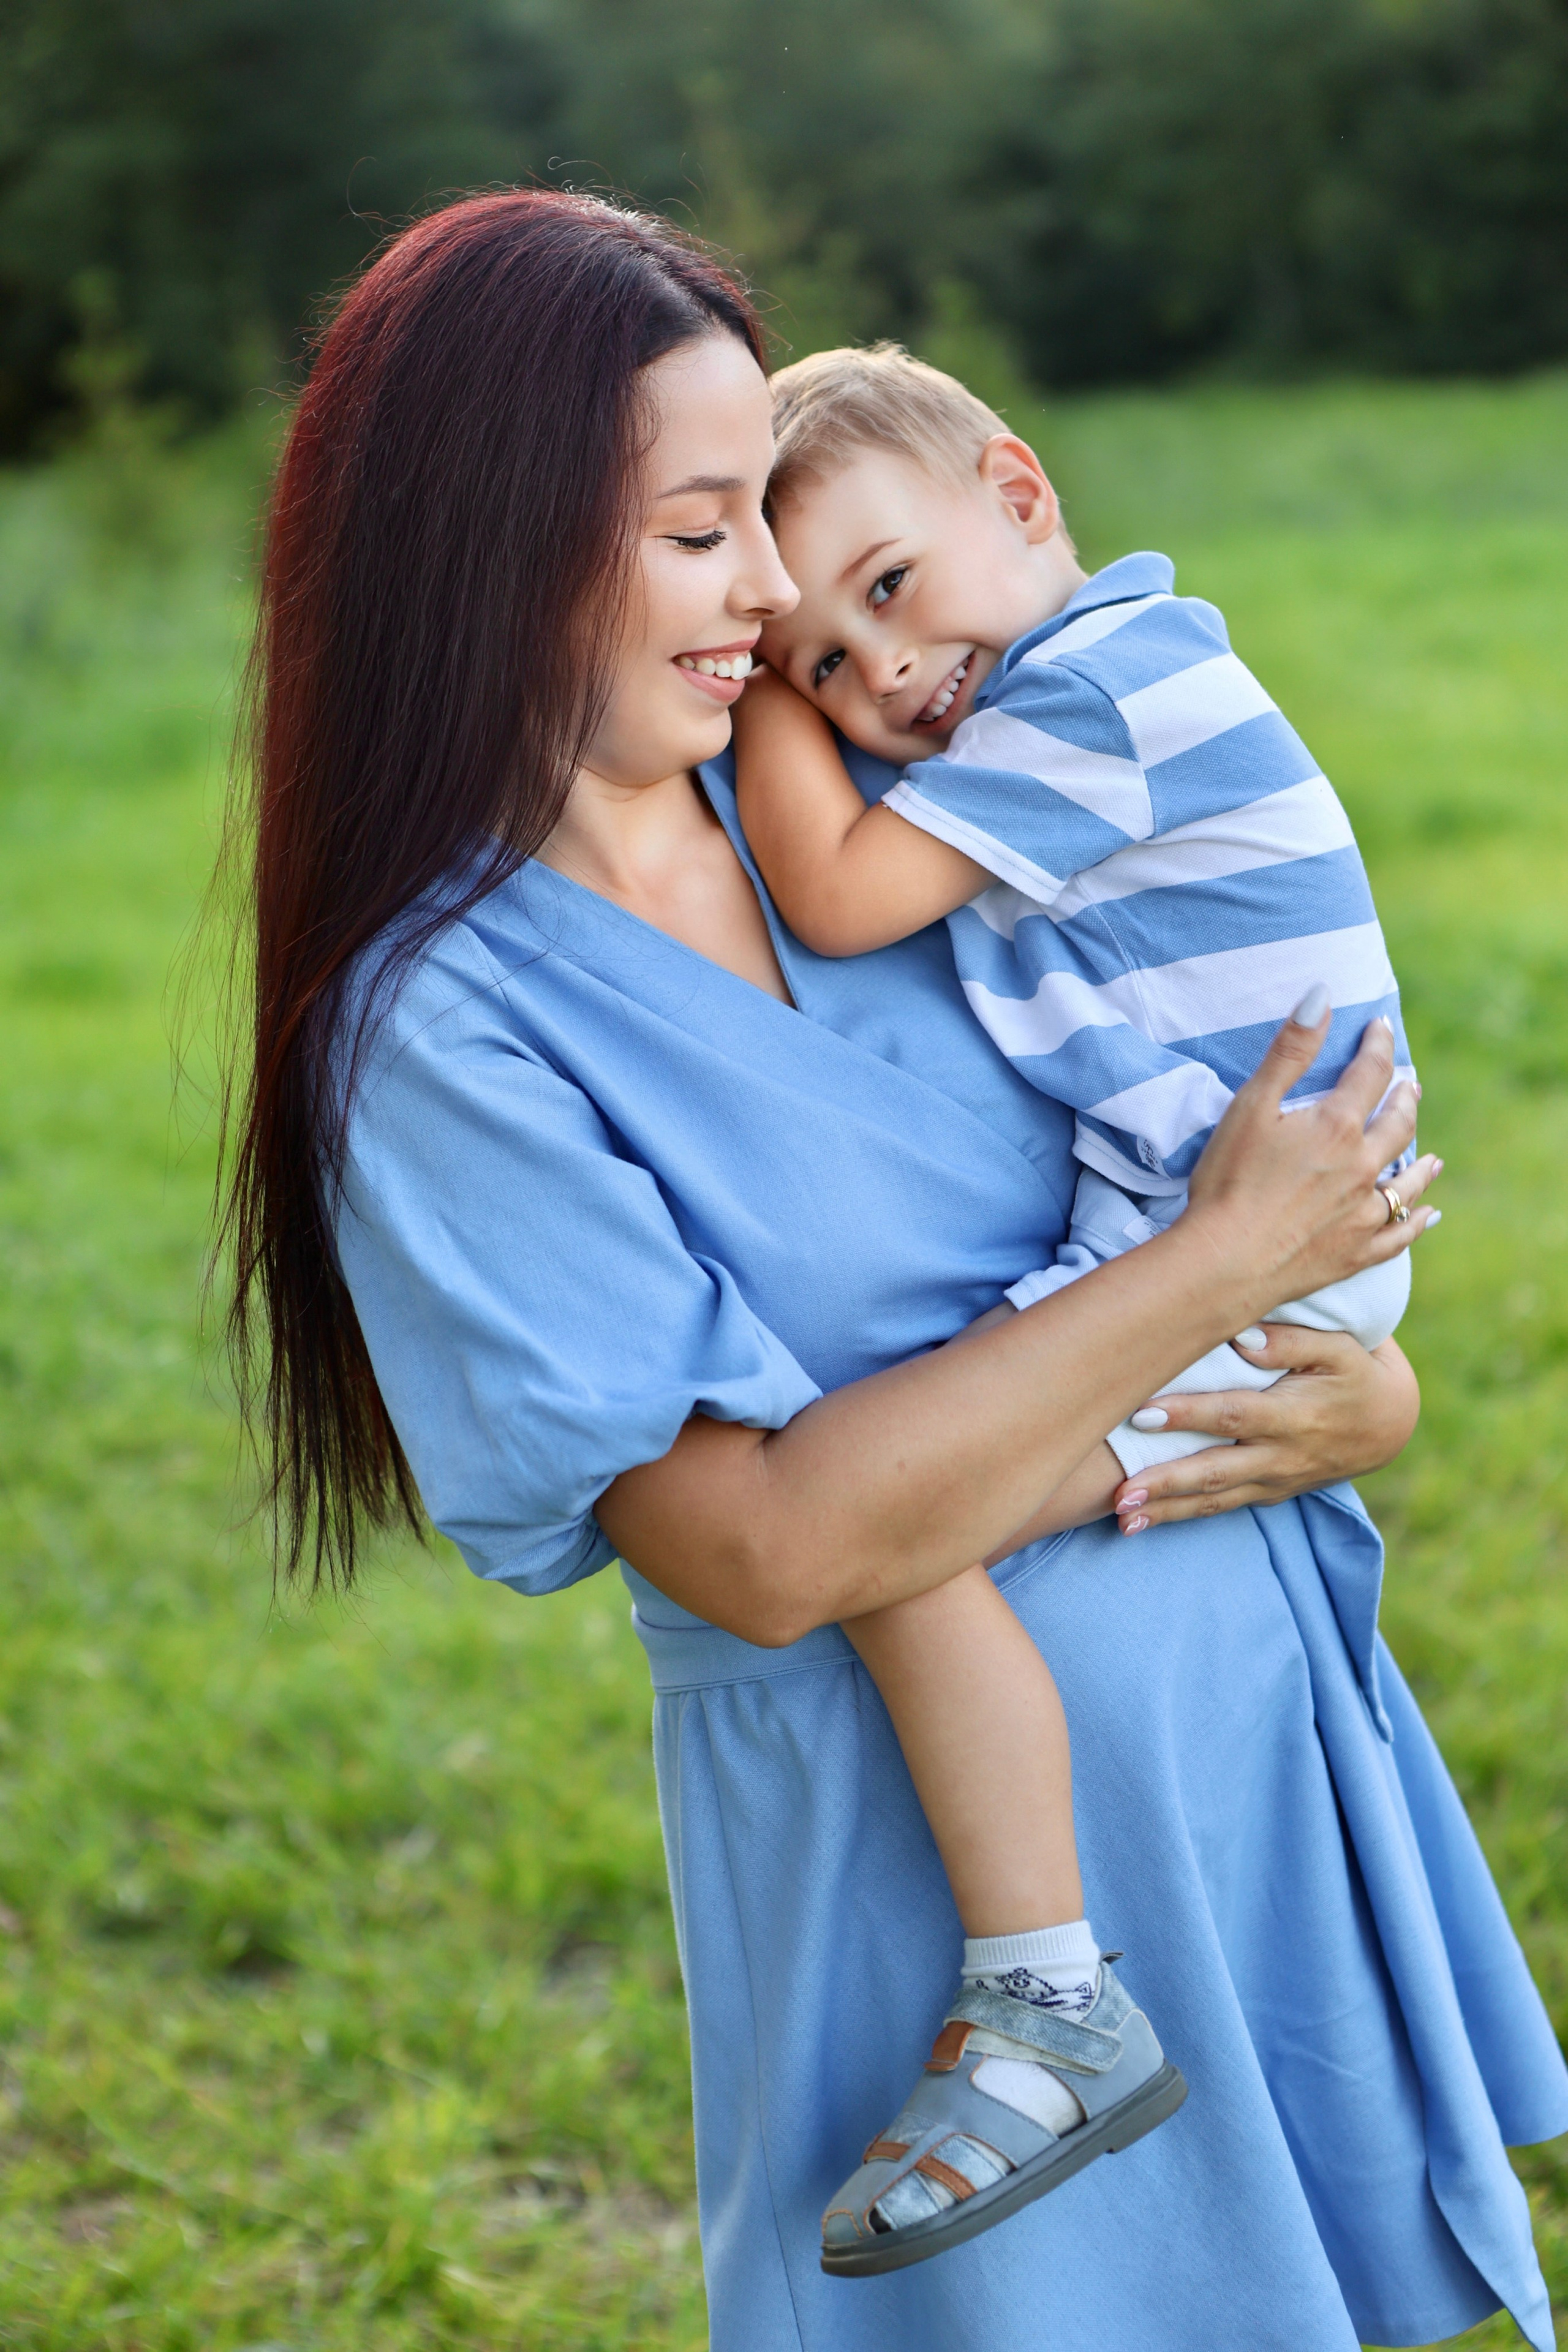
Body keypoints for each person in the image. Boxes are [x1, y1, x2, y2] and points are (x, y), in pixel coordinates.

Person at [218, 188, 1568, 2352]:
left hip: (1252, 1767)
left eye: (768, 517)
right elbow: (764, 1548)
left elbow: (1192, 1139)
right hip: (944, 1924)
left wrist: (1359, 1387)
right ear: (485, 547)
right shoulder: (445, 1027)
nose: (772, 594)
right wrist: (1224, 1268)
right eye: (696, 532)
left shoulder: (855, 791)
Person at [730, 342, 1430, 2264]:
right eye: (829, 673)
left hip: (1242, 1247)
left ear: (1020, 493)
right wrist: (792, 627)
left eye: (884, 592)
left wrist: (744, 673)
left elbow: (834, 892)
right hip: (1204, 1234)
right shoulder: (1061, 699)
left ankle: (1050, 2000)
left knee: (885, 1522)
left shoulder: (1107, 693)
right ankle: (1050, 1989)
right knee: (891, 1504)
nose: (882, 681)